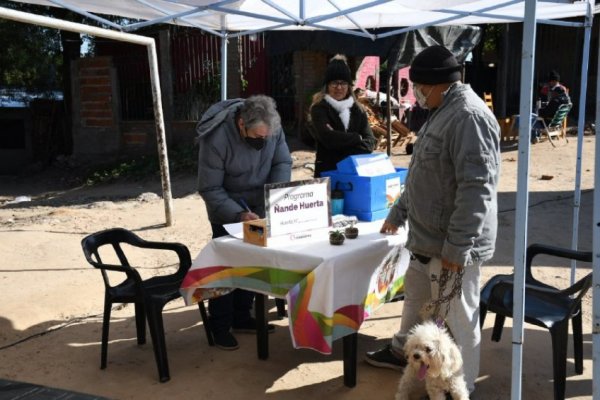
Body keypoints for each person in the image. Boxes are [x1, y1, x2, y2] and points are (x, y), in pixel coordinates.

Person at [364, 45, 500, 396]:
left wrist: (458, 245)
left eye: (418, 86)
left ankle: (460, 388)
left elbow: (477, 188)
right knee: (416, 305)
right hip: (425, 240)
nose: (416, 93)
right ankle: (407, 360)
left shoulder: (469, 116)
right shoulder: (441, 110)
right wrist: (399, 212)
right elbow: (423, 174)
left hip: (451, 246)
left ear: (437, 84)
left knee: (459, 321)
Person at [195, 95, 292, 350]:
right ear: (241, 124)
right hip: (226, 209)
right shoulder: (215, 138)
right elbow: (209, 187)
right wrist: (238, 215)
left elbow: (282, 162)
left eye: (266, 138)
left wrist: (275, 198)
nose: (262, 142)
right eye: (256, 137)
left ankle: (242, 316)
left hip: (260, 205)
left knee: (252, 262)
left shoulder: (273, 127)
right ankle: (220, 325)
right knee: (226, 266)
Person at [308, 54, 377, 177]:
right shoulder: (319, 108)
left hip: (355, 172)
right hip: (328, 172)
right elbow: (328, 138)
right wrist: (357, 138)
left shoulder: (358, 109)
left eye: (343, 83)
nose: (339, 87)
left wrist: (340, 145)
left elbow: (370, 142)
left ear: (349, 86)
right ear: (327, 85)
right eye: (334, 83)